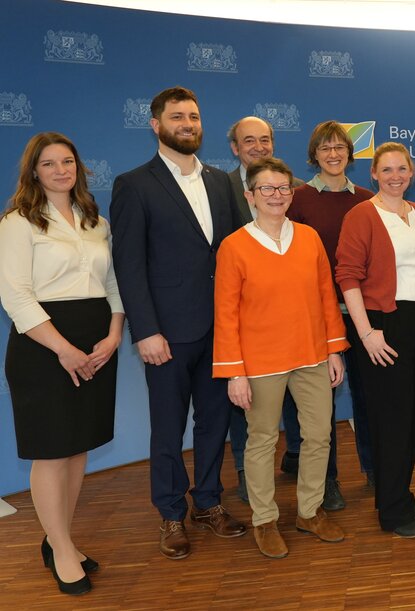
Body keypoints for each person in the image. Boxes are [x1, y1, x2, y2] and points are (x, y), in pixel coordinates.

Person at [111, 86, 246, 560]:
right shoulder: (135, 184)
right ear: (156, 124)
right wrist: (145, 330)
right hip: (165, 334)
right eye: (176, 117)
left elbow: (233, 256)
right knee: (168, 428)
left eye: (193, 116)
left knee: (215, 423)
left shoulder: (220, 182)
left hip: (221, 330)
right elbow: (128, 264)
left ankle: (207, 504)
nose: (187, 124)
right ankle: (170, 514)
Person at [0, 132, 124, 595]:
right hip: (43, 344)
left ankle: (60, 540)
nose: (60, 170)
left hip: (96, 338)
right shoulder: (17, 222)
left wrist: (114, 334)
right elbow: (15, 294)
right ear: (34, 171)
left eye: (67, 161)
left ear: (79, 167)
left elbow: (113, 284)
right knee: (52, 451)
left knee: (77, 449)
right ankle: (61, 548)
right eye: (49, 163)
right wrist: (63, 349)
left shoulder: (97, 220)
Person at [213, 157, 349, 558]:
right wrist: (234, 373)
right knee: (262, 441)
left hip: (311, 355)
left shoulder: (308, 238)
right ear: (250, 195)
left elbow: (327, 298)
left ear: (292, 192)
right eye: (267, 189)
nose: (276, 196)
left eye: (283, 188)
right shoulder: (234, 246)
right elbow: (226, 313)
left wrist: (334, 350)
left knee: (319, 435)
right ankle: (264, 519)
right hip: (259, 363)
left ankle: (309, 511)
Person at [336, 142, 415, 539]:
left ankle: (396, 493)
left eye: (402, 169)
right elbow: (347, 276)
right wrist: (366, 333)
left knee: (412, 412)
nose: (395, 176)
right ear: (373, 174)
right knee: (391, 417)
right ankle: (392, 512)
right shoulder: (361, 215)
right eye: (387, 170)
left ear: (411, 173)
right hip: (382, 322)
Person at [286, 120, 376, 505]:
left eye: (340, 147)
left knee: (369, 395)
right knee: (321, 405)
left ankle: (375, 470)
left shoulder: (368, 199)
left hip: (365, 314)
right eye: (326, 148)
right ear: (314, 155)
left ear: (350, 153)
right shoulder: (298, 199)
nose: (334, 154)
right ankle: (329, 481)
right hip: (320, 314)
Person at [223, 116, 307, 504]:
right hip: (248, 326)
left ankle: (299, 471)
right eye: (249, 140)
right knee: (254, 425)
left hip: (297, 331)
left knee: (307, 420)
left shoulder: (295, 190)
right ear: (235, 147)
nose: (258, 146)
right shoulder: (219, 187)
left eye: (265, 139)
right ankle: (249, 481)